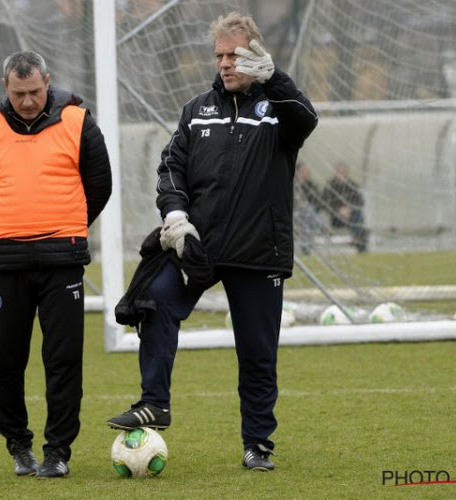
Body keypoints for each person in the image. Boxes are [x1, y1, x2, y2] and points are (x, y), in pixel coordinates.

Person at [106, 11, 317, 471]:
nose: (225, 63)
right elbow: (170, 168)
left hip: (260, 252)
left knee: (257, 353)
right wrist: (176, 216)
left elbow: (307, 121)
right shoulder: (196, 110)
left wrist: (276, 79)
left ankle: (257, 444)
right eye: (219, 54)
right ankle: (154, 402)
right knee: (156, 300)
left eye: (234, 54)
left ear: (254, 53)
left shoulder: (278, 112)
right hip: (199, 247)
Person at [0, 51, 112, 478]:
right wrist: (13, 221)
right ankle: (18, 446)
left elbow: (99, 184)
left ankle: (58, 451)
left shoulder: (79, 121)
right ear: (5, 87)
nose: (27, 101)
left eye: (34, 92)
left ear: (47, 82)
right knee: (5, 360)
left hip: (62, 260)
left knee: (63, 359)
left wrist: (65, 222)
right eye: (18, 93)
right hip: (8, 261)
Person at [322, 162, 368, 252]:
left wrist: (349, 209)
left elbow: (360, 201)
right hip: (336, 218)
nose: (340, 173)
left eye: (342, 171)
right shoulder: (330, 185)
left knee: (357, 214)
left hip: (352, 216)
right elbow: (324, 203)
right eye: (338, 171)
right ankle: (359, 242)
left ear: (346, 173)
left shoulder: (352, 185)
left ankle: (358, 241)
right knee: (358, 219)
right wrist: (339, 210)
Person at [294, 162, 323, 255]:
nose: (306, 173)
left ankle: (306, 248)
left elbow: (319, 202)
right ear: (297, 172)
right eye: (304, 171)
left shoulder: (312, 186)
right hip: (293, 214)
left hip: (308, 215)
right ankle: (321, 225)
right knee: (307, 212)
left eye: (307, 171)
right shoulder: (291, 184)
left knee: (307, 213)